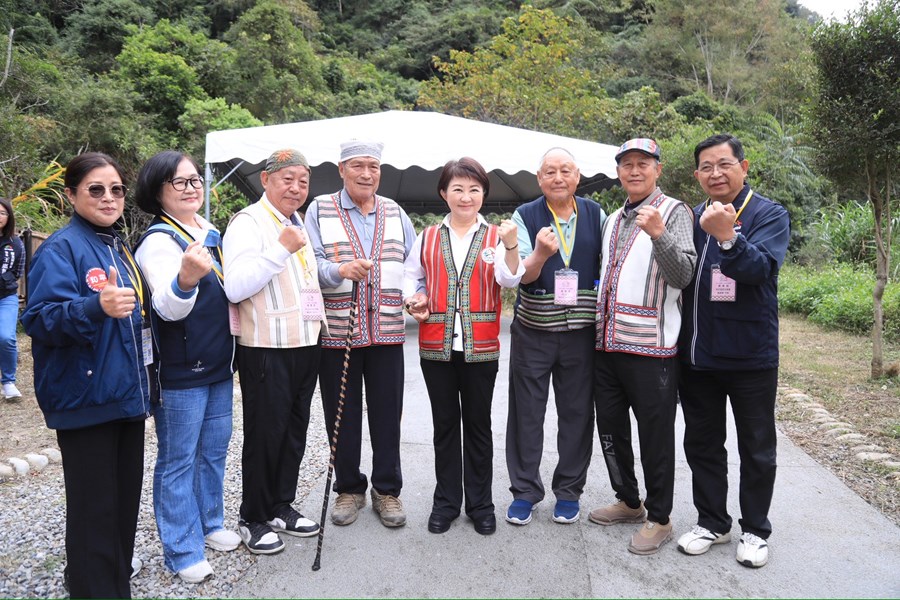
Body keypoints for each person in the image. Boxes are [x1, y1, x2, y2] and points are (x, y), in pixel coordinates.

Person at [21, 152, 154, 598]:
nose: (108, 197)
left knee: (121, 512)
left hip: (126, 396)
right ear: (71, 194)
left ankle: (113, 587)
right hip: (86, 398)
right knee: (94, 513)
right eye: (95, 189)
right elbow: (39, 319)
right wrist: (93, 307)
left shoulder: (116, 244)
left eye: (116, 189)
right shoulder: (61, 248)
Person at [676, 133, 790, 568]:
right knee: (703, 443)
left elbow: (760, 270)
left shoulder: (768, 214)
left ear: (743, 167)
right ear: (697, 175)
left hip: (750, 356)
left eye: (724, 164)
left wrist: (727, 238)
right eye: (706, 166)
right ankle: (712, 522)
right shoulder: (691, 216)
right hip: (699, 355)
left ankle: (756, 530)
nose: (715, 173)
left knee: (757, 446)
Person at [403, 158, 525, 536]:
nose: (466, 196)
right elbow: (410, 274)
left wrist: (511, 245)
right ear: (444, 193)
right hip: (436, 345)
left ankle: (481, 504)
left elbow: (509, 278)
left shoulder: (497, 236)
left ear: (483, 194)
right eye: (457, 189)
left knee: (478, 426)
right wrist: (416, 296)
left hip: (482, 346)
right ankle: (446, 502)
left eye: (474, 189)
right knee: (443, 426)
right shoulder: (428, 236)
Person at [133, 151, 239, 584]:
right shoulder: (159, 241)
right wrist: (186, 279)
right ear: (158, 192)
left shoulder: (210, 234)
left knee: (214, 452)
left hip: (217, 365)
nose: (193, 187)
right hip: (180, 371)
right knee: (178, 459)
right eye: (180, 182)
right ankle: (181, 548)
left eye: (196, 179)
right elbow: (167, 309)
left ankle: (210, 524)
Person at [588, 138, 697, 554]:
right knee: (611, 429)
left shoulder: (675, 212)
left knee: (655, 436)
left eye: (643, 164)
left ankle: (661, 516)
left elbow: (683, 274)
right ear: (618, 171)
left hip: (652, 350)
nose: (634, 171)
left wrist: (659, 235)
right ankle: (629, 501)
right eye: (626, 165)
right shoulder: (614, 218)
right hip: (608, 345)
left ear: (658, 169)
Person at [305, 140, 417, 528]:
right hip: (339, 332)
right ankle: (348, 488)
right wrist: (340, 271)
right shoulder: (319, 209)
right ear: (341, 169)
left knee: (388, 414)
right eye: (358, 166)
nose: (367, 173)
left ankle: (387, 491)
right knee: (342, 415)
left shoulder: (395, 211)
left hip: (386, 331)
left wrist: (413, 299)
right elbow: (310, 264)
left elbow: (410, 268)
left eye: (373, 166)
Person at [223, 148, 324, 555]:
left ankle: (282, 504)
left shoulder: (296, 220)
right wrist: (280, 248)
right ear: (266, 180)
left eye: (303, 180)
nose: (296, 187)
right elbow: (236, 286)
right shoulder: (248, 222)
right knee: (265, 433)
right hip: (266, 346)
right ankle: (254, 516)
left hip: (305, 342)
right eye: (288, 178)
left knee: (295, 429)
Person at [505, 147, 606, 526]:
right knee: (526, 413)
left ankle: (568, 491)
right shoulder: (525, 216)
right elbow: (522, 278)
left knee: (577, 414)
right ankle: (525, 492)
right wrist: (542, 255)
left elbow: (607, 268)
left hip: (581, 333)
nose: (558, 177)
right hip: (533, 331)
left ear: (578, 176)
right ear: (539, 178)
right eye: (550, 172)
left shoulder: (597, 215)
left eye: (566, 170)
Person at [0, 197, 24, 401]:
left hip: (6, 297)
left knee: (6, 337)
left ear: (9, 217)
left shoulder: (15, 243)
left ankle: (8, 382)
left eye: (2, 213)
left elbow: (18, 270)